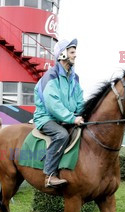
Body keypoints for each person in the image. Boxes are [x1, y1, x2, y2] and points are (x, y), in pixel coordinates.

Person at [33, 38, 85, 188]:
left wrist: (84, 114)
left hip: (66, 118)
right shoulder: (50, 76)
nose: (75, 55)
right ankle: (49, 175)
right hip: (46, 118)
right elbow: (52, 104)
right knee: (61, 135)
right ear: (62, 54)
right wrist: (72, 118)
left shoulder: (75, 78)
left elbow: (80, 100)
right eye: (72, 52)